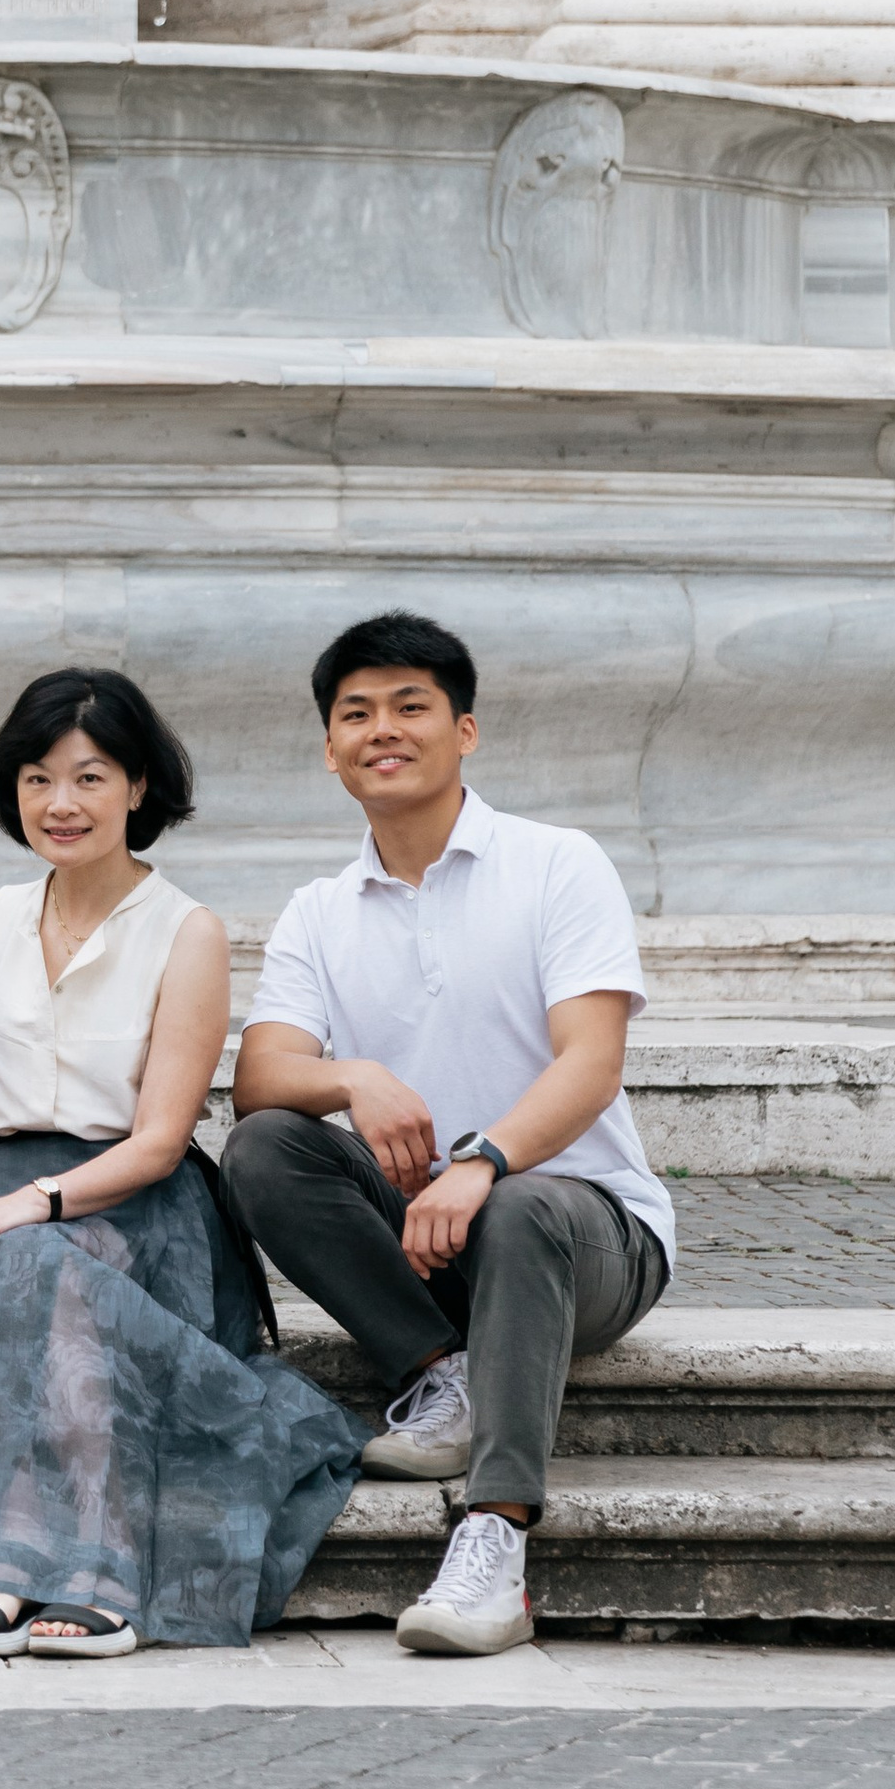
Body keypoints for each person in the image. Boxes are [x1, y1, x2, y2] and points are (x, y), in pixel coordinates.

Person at [0, 668, 363, 1657]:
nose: (60, 803)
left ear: (138, 786)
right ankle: (14, 1560)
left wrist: (22, 1208)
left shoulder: (187, 931)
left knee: (37, 1269)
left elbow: (160, 1139)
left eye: (88, 777)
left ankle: (83, 1569)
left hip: (137, 1209)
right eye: (37, 779)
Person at [224, 609, 675, 1659]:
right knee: (265, 1147)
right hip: (427, 1246)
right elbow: (259, 1080)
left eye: (410, 707)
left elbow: (590, 1062)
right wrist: (351, 1077)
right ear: (330, 748)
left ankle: (496, 1537)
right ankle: (443, 1371)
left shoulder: (556, 864)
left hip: (588, 1236)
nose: (382, 730)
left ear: (464, 730)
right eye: (356, 714)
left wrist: (482, 1160)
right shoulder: (320, 910)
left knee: (519, 1208)